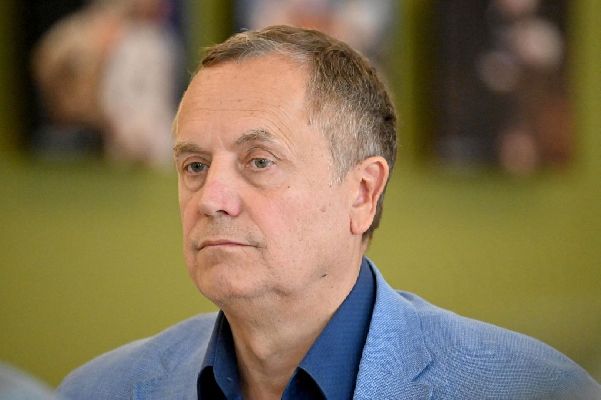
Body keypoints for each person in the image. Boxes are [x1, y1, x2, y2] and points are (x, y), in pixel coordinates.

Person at [57, 25, 601, 400]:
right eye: (194, 165)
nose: (211, 198)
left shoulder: (533, 389)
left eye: (260, 161)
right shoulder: (98, 390)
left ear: (362, 193)